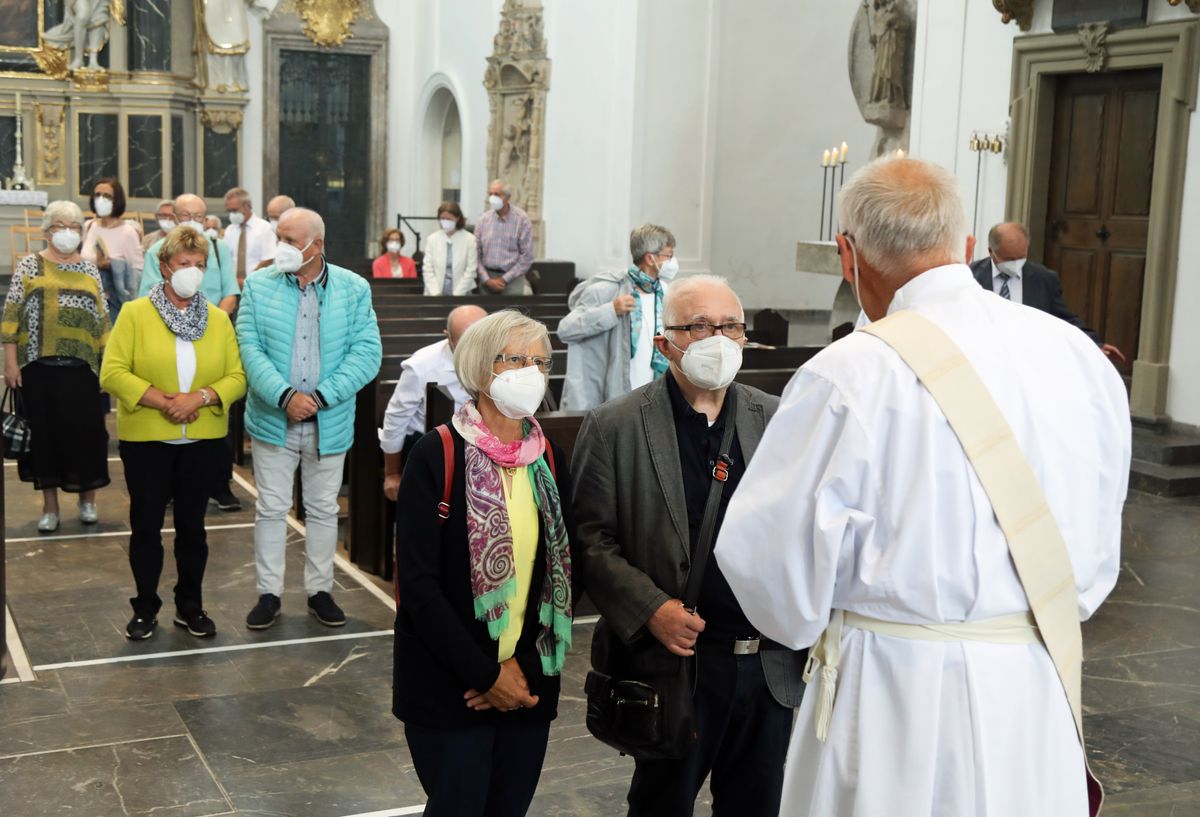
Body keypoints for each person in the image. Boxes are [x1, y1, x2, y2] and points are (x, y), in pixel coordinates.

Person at [715, 157, 1131, 817]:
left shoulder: (849, 374)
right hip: (1033, 689)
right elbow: (1098, 543)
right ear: (967, 249)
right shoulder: (1080, 357)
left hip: (891, 701)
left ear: (848, 255)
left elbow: (773, 575)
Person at [573, 275, 805, 817]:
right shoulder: (616, 425)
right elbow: (589, 539)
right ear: (664, 343)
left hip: (767, 664)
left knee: (757, 805)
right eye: (698, 326)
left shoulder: (776, 417)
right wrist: (650, 608)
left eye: (729, 326)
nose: (716, 338)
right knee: (661, 804)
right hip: (676, 663)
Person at [393, 309, 576, 817]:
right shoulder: (437, 454)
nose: (530, 371)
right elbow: (419, 587)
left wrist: (520, 674)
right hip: (452, 685)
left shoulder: (548, 457)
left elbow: (562, 570)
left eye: (539, 361)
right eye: (514, 358)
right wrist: (485, 673)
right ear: (479, 367)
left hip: (528, 683)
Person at [99, 226, 247, 641]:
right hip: (148, 438)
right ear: (165, 267)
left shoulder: (217, 319)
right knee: (146, 526)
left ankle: (190, 605)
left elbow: (237, 377)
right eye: (185, 264)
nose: (193, 272)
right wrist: (162, 401)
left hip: (201, 438)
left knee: (193, 529)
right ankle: (145, 607)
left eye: (200, 265)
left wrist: (199, 397)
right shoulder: (135, 313)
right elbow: (112, 372)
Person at [237, 207, 382, 630]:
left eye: (288, 238)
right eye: (277, 237)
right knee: (271, 508)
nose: (279, 245)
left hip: (328, 420)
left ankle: (320, 590)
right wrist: (285, 397)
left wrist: (318, 397)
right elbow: (248, 346)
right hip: (273, 417)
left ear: (315, 246)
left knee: (322, 509)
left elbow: (366, 353)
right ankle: (269, 594)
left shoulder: (353, 289)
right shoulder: (260, 286)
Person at [2, 200, 111, 532]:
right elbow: (11, 317)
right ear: (47, 231)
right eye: (60, 226)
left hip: (83, 369)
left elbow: (102, 319)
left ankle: (87, 501)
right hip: (39, 367)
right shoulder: (29, 266)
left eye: (74, 227)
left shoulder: (90, 269)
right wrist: (10, 363)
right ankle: (50, 508)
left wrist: (107, 366)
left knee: (88, 435)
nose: (67, 233)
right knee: (45, 438)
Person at [559, 223, 678, 411]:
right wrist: (611, 310)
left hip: (655, 391)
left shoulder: (666, 292)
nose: (672, 262)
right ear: (650, 258)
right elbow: (566, 330)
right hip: (617, 394)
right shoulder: (607, 289)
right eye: (668, 256)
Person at [971, 222, 1126, 363]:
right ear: (991, 251)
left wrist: (1095, 345)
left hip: (1028, 361)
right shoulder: (971, 276)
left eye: (1021, 257)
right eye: (1009, 259)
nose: (1016, 264)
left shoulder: (1044, 279)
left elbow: (1064, 319)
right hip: (985, 360)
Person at [380, 305, 487, 501]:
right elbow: (396, 417)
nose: (475, 350)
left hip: (480, 444)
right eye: (465, 342)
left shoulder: (500, 355)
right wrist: (392, 473)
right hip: (428, 445)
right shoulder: (422, 365)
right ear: (449, 338)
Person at [140, 194, 238, 315]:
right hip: (169, 323)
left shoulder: (219, 248)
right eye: (185, 215)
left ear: (205, 219)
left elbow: (230, 294)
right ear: (174, 218)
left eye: (198, 216)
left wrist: (215, 323)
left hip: (212, 322)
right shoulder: (156, 251)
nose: (192, 220)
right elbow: (149, 297)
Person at [82, 177, 144, 320]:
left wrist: (112, 265)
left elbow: (138, 273)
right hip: (88, 299)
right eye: (97, 195)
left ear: (116, 200)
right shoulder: (89, 226)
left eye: (107, 196)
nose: (101, 199)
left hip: (113, 305)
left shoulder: (128, 232)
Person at [476, 180, 534, 296]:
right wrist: (487, 280)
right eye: (490, 194)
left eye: (497, 194)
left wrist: (504, 279)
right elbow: (475, 254)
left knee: (513, 310)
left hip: (512, 278)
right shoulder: (483, 219)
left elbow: (527, 257)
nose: (492, 198)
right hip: (487, 277)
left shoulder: (521, 219)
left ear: (508, 197)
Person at [223, 187, 277, 288]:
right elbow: (225, 259)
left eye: (234, 210)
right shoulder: (230, 230)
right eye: (229, 211)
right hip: (233, 286)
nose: (232, 215)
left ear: (248, 206)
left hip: (258, 284)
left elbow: (268, 259)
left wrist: (248, 280)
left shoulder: (265, 228)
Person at [421, 202, 478, 296]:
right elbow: (427, 268)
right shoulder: (432, 239)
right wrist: (435, 293)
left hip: (462, 293)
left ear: (457, 218)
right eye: (442, 218)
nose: (445, 221)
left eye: (449, 219)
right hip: (434, 293)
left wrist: (458, 294)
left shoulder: (469, 239)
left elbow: (471, 269)